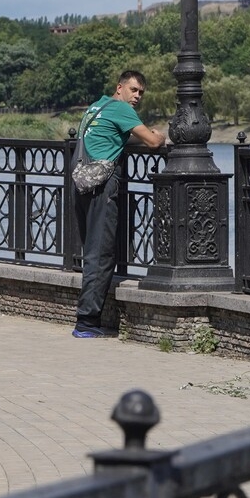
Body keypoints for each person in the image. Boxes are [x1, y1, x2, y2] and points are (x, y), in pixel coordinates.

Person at [73, 70, 166, 338]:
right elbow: (151, 142)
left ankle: (86, 318)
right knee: (101, 253)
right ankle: (87, 322)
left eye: (141, 93)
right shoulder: (121, 109)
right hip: (102, 184)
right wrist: (158, 136)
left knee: (91, 248)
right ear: (120, 88)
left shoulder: (96, 107)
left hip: (82, 181)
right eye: (134, 90)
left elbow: (120, 135)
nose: (137, 96)